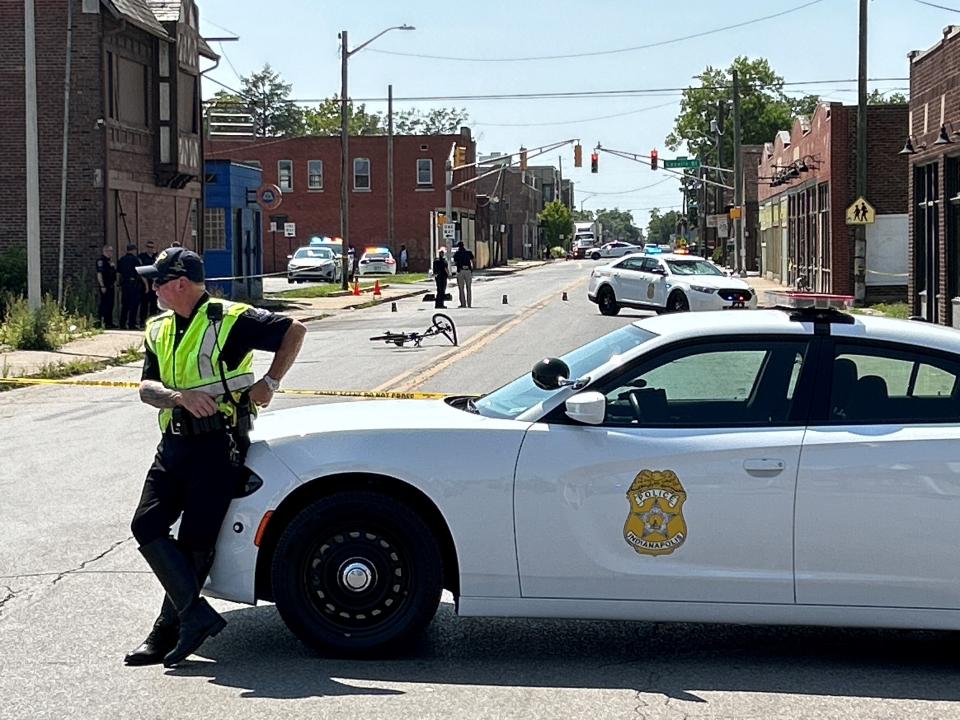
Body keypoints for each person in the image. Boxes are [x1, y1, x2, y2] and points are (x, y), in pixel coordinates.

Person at [124, 247, 305, 668]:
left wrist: (271, 382)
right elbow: (147, 388)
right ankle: (195, 615)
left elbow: (294, 329)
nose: (153, 287)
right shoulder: (158, 329)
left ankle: (165, 630)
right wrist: (177, 397)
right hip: (174, 442)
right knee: (146, 524)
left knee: (196, 540)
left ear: (181, 283)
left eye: (158, 280)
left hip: (218, 445)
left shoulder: (230, 319)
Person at [117, 243, 142, 330]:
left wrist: (119, 284)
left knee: (125, 305)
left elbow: (119, 274)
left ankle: (122, 324)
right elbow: (140, 273)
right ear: (133, 250)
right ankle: (132, 324)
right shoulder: (136, 260)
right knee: (134, 305)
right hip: (134, 285)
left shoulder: (121, 260)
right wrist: (146, 285)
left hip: (124, 284)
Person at [96, 244, 117, 329]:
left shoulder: (110, 262)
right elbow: (99, 274)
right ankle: (101, 322)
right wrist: (102, 286)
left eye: (111, 251)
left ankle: (109, 322)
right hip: (105, 286)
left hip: (111, 286)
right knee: (104, 304)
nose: (111, 253)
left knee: (110, 304)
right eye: (109, 251)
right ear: (105, 251)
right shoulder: (101, 261)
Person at [138, 241, 159, 326]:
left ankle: (152, 322)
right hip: (145, 283)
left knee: (154, 304)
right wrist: (146, 285)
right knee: (144, 304)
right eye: (149, 247)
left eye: (152, 247)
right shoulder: (142, 257)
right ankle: (142, 321)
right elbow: (141, 271)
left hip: (154, 283)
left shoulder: (156, 258)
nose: (150, 249)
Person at [453, 241, 474, 308]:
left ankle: (463, 304)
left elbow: (455, 261)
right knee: (469, 288)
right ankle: (469, 304)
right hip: (468, 271)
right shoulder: (468, 253)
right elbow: (473, 259)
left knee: (461, 289)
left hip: (460, 271)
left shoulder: (457, 253)